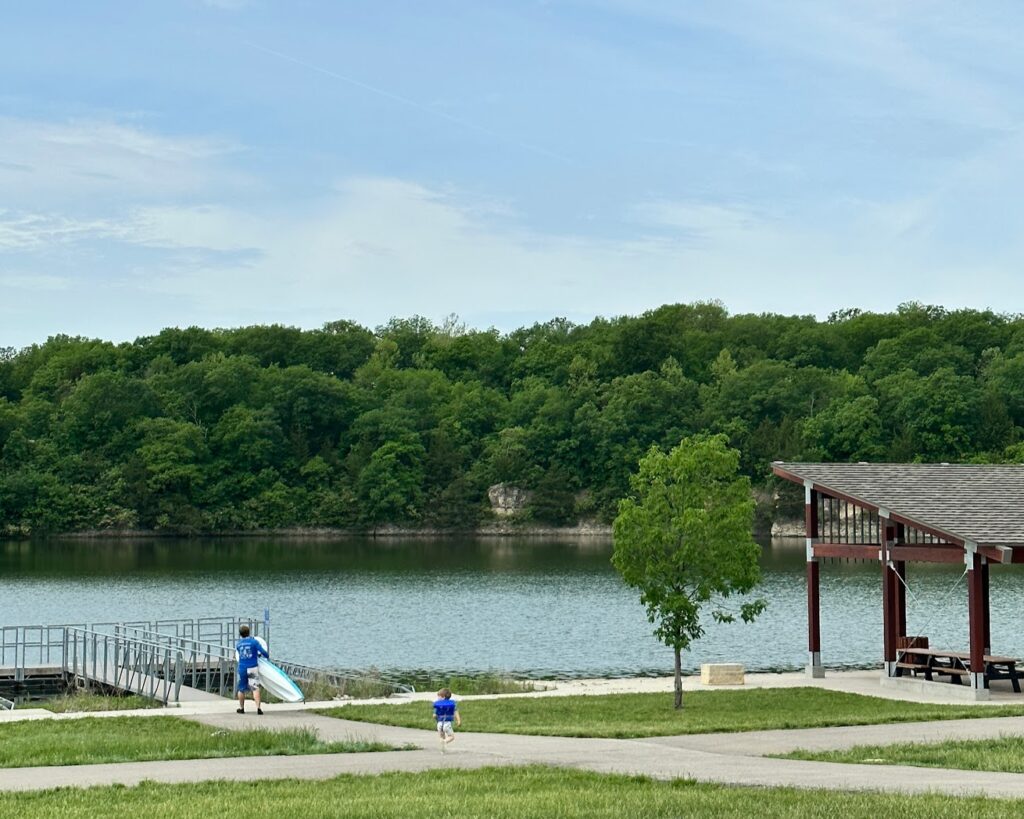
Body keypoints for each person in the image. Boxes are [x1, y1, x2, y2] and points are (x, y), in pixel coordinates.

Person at [235, 624, 269, 714]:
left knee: (241, 688)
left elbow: (240, 654)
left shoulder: (238, 644)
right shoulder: (254, 642)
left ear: (240, 634)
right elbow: (262, 651)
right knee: (255, 688)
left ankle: (242, 708)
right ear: (249, 632)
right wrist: (266, 656)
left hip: (242, 667)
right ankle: (258, 708)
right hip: (252, 667)